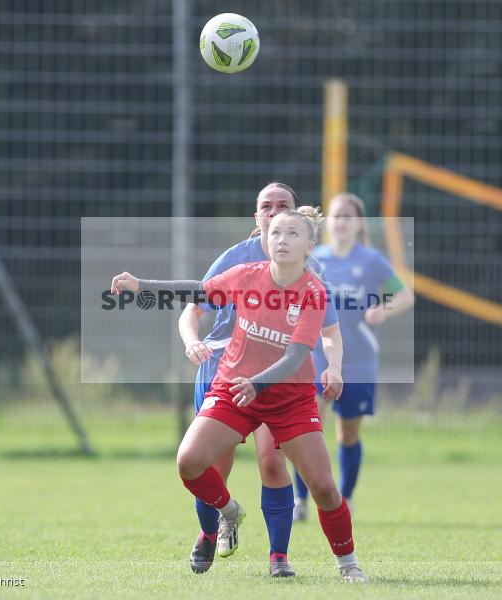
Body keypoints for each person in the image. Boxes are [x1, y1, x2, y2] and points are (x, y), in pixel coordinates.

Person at [111, 210, 368, 582]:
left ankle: (348, 564)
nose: (281, 239)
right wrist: (140, 283)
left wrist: (259, 383)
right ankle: (228, 511)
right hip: (235, 389)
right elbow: (196, 292)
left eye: (293, 234)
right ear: (265, 238)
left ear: (310, 246)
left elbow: (297, 355)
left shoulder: (313, 292)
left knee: (324, 488)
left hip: (289, 398)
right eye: (276, 232)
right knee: (189, 461)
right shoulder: (246, 276)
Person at [177, 183, 344, 577]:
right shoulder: (237, 258)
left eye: (282, 205)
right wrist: (192, 341)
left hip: (277, 381)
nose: (273, 212)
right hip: (224, 371)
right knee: (213, 466)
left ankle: (279, 557)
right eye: (266, 207)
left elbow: (329, 330)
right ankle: (212, 528)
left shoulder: (308, 265)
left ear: (298, 216)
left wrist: (333, 365)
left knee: (272, 461)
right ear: (256, 217)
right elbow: (192, 309)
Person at [293, 193, 415, 521]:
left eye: (348, 216)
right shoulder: (314, 259)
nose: (341, 221)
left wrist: (383, 309)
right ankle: (300, 500)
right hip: (316, 358)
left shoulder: (371, 260)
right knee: (305, 429)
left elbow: (405, 294)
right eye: (336, 215)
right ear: (326, 221)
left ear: (358, 222)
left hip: (358, 363)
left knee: (348, 434)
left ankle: (344, 498)